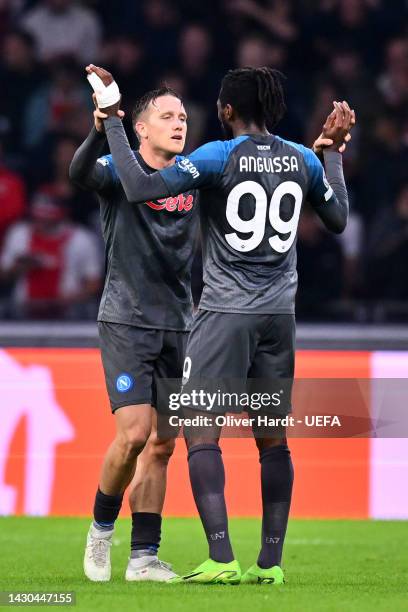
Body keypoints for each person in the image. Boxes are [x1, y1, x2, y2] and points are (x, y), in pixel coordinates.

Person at [87, 63, 353, 585]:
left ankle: (222, 558)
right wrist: (332, 153)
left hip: (225, 313)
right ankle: (271, 565)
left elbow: (140, 188)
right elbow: (338, 219)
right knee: (273, 440)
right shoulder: (302, 158)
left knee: (201, 433)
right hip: (281, 315)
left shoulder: (217, 155)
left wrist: (114, 120)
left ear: (226, 111)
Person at [69, 86, 199, 582]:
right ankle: (101, 532)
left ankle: (144, 557)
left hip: (179, 323)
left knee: (164, 444)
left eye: (183, 116)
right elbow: (79, 173)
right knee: (134, 434)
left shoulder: (192, 177)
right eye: (167, 116)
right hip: (126, 319)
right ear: (139, 129)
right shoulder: (116, 172)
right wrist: (99, 129)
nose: (179, 123)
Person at [0, 186, 101, 319]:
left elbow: (94, 284)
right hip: (23, 311)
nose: (41, 223)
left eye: (47, 219)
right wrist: (20, 266)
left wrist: (72, 298)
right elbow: (3, 275)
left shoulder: (81, 238)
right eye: (38, 218)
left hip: (69, 314)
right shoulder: (19, 234)